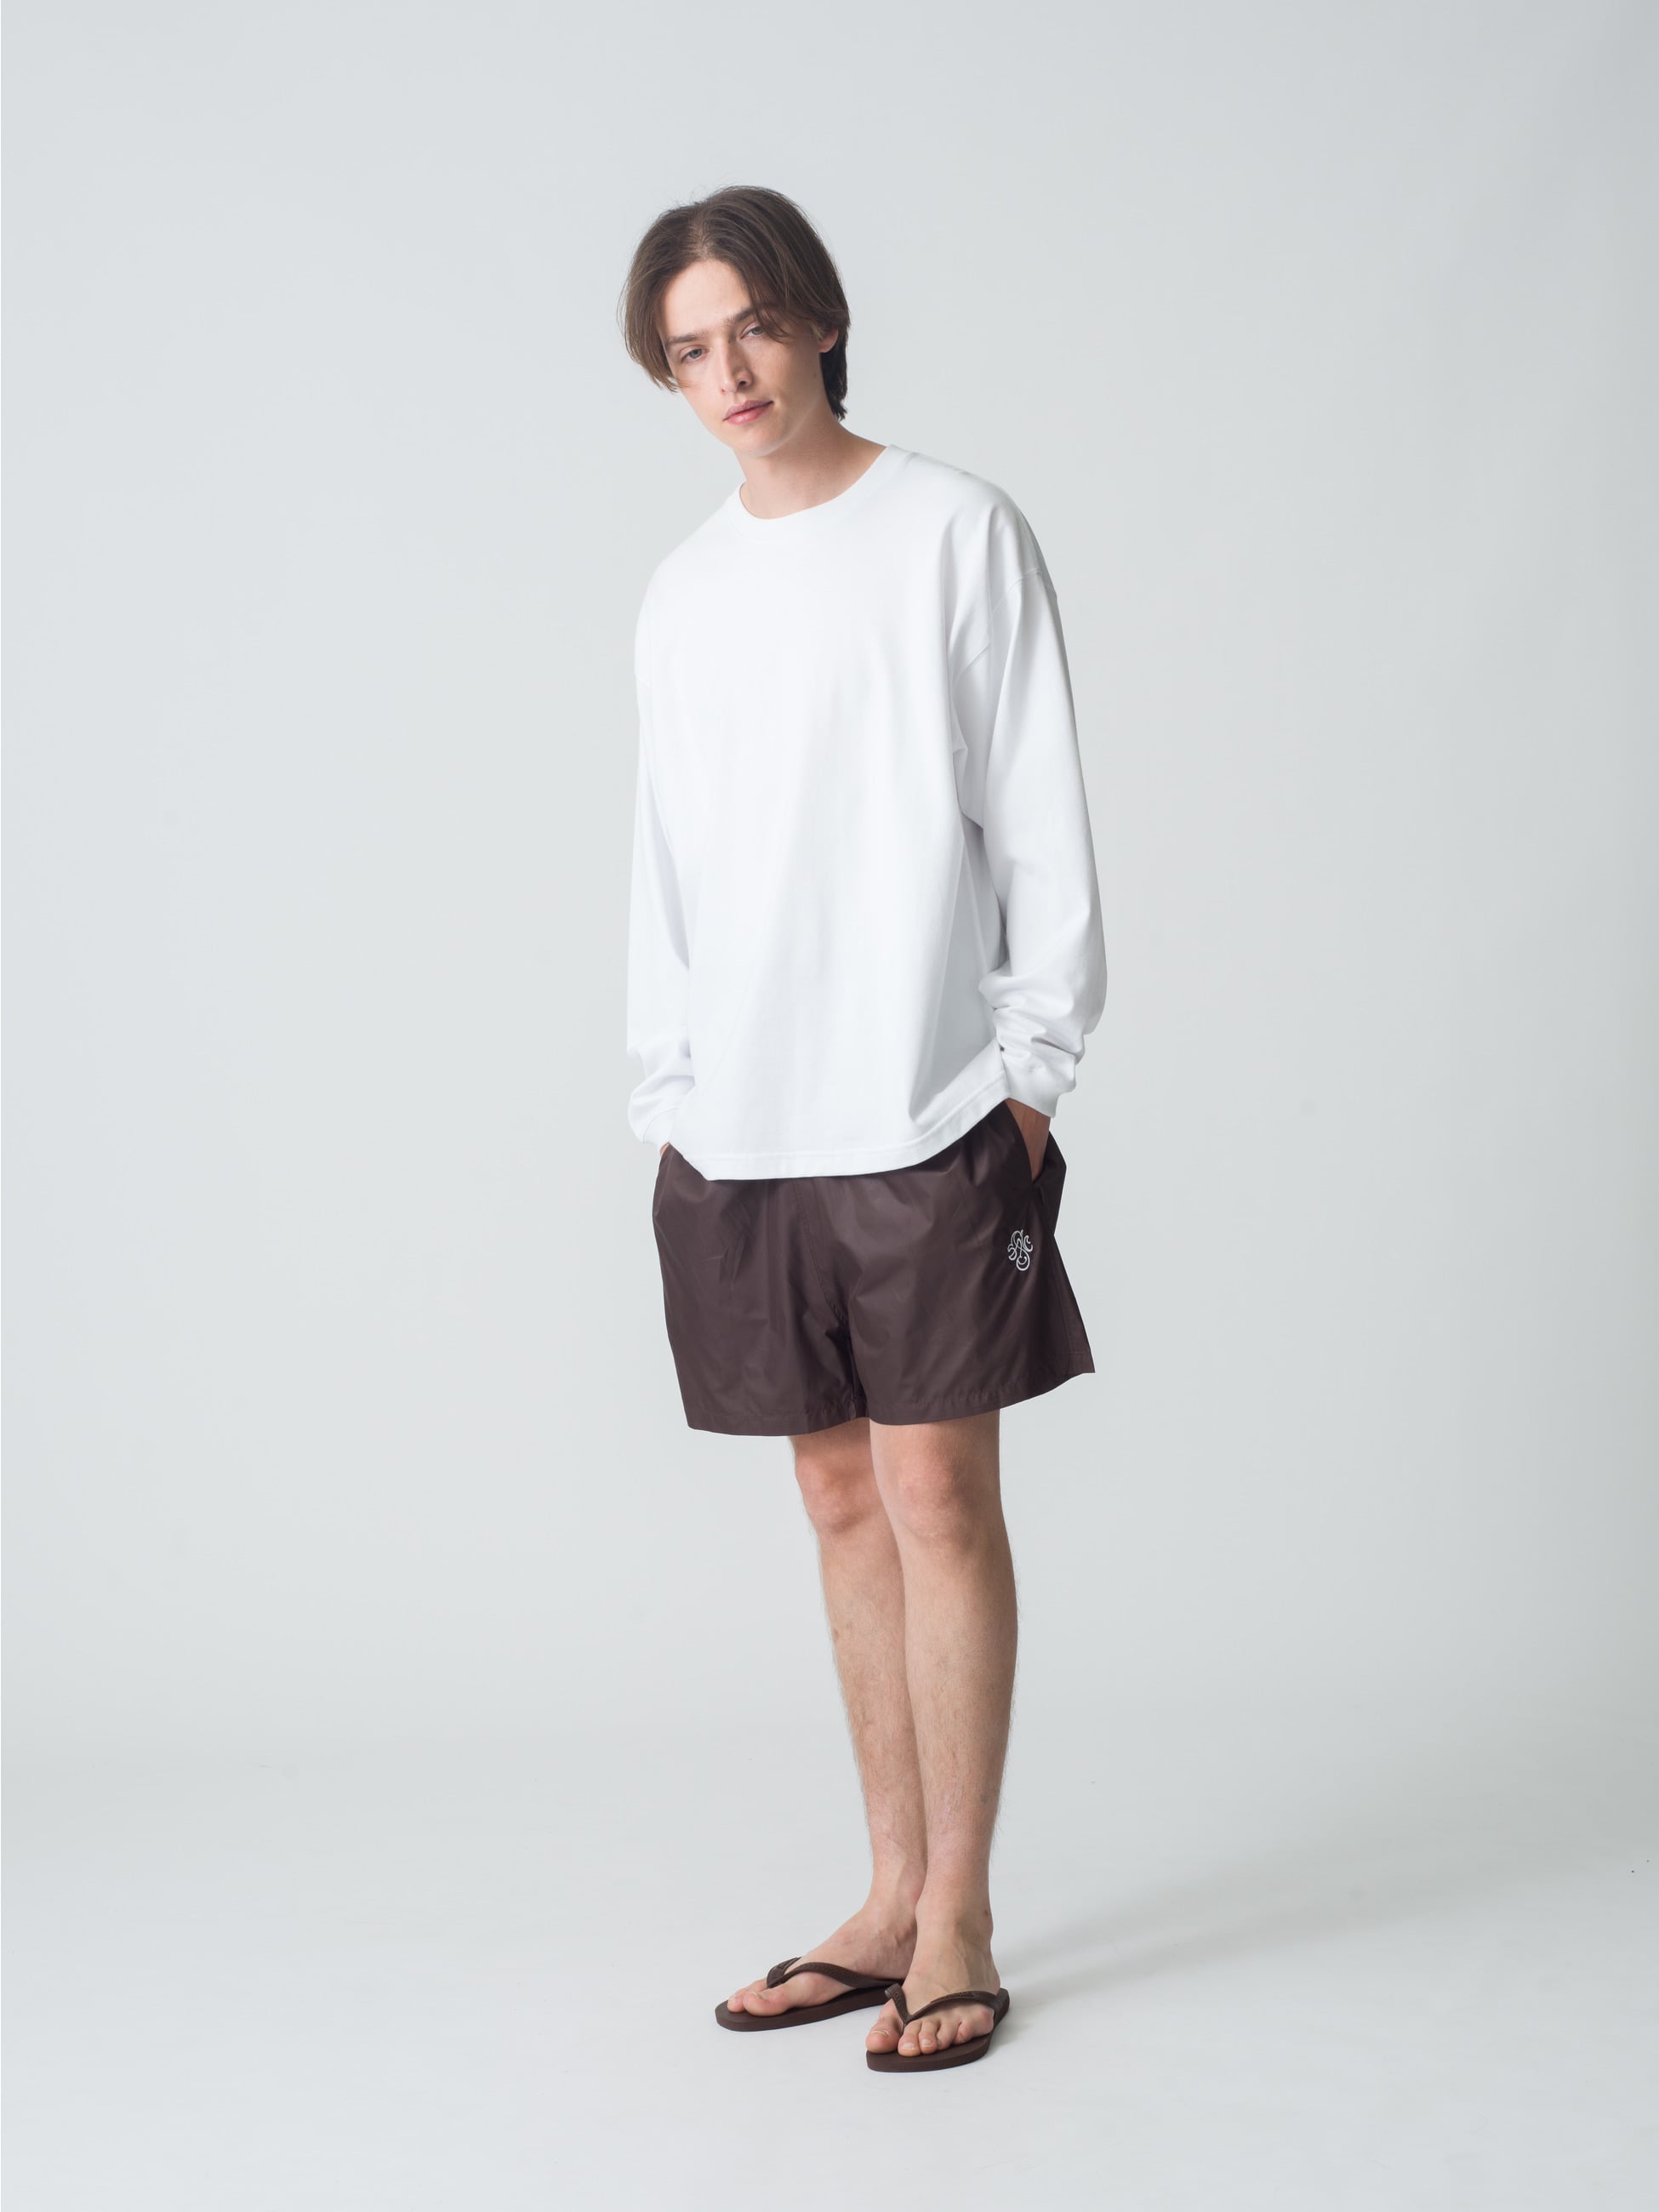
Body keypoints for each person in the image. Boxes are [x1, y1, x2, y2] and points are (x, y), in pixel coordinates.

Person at [617, 185, 1107, 2072]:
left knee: (936, 1497)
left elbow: (1035, 810)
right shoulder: (683, 590)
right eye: (688, 350)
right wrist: (669, 1098)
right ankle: (888, 1893)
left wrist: (1030, 1074)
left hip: (924, 1105)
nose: (729, 373)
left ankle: (961, 1909)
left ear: (818, 318)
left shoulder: (954, 531)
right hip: (737, 1127)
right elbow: (667, 860)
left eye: (751, 325)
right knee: (833, 1501)